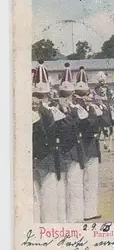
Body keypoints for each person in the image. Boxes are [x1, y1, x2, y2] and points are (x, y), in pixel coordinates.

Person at [32, 60, 67, 223]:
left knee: (41, 196)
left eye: (39, 96)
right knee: (47, 195)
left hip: (44, 157)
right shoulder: (47, 112)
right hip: (46, 158)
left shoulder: (50, 111)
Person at [57, 62, 89, 222]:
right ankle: (64, 219)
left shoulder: (76, 110)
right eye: (63, 95)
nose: (66, 98)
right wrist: (65, 112)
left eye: (69, 95)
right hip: (63, 152)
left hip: (75, 153)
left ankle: (76, 218)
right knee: (62, 189)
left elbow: (86, 124)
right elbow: (64, 129)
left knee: (75, 187)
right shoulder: (55, 111)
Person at [73, 66, 105, 221]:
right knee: (82, 182)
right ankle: (82, 212)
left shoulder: (89, 106)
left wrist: (100, 108)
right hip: (83, 147)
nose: (84, 97)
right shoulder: (77, 108)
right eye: (81, 94)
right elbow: (89, 125)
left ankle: (89, 211)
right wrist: (94, 111)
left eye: (84, 94)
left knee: (90, 181)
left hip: (90, 147)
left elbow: (105, 122)